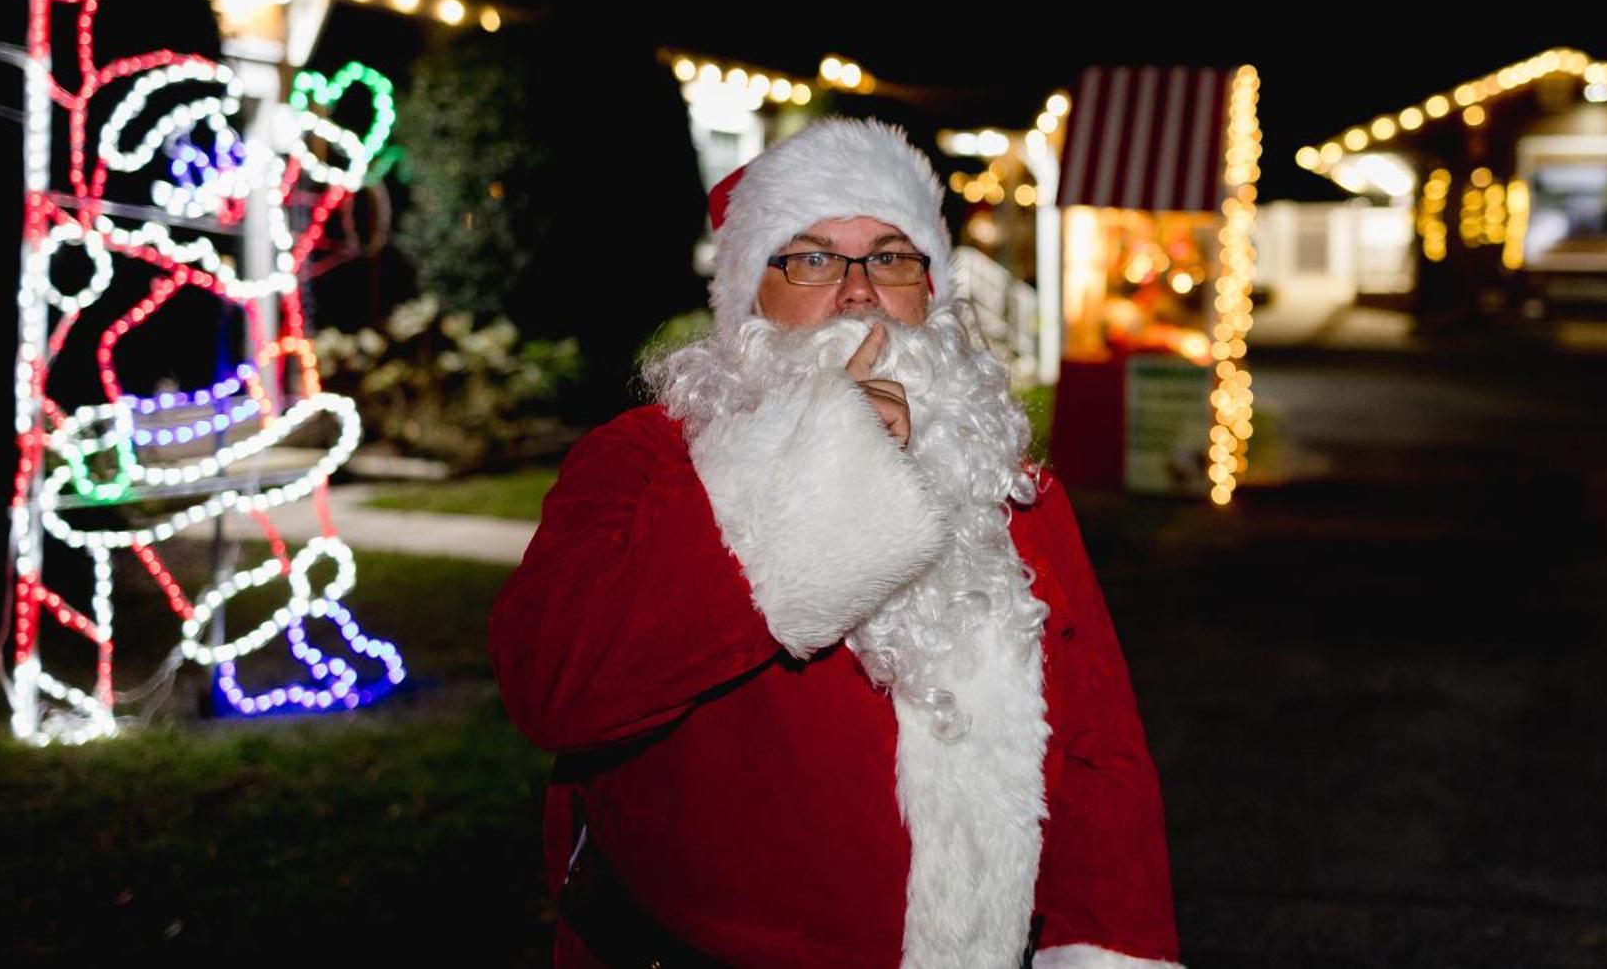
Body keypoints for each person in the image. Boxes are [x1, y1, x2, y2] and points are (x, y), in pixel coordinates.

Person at [490, 118, 1181, 968]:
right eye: (813, 258)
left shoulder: (1011, 486)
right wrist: (810, 464)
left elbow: (1098, 754)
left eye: (890, 255)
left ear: (930, 290)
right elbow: (554, 681)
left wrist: (1110, 945)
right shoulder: (645, 459)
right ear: (749, 294)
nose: (857, 291)